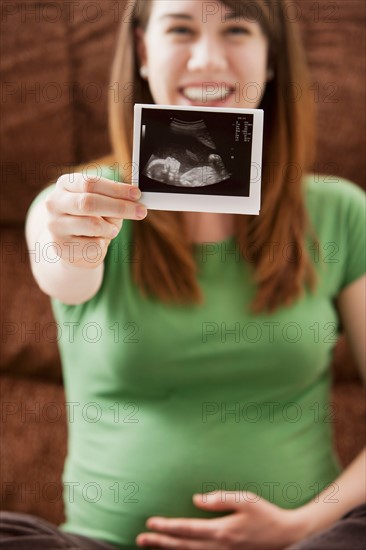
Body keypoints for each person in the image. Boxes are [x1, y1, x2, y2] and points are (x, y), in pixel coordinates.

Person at [1, 0, 365, 549]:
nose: (207, 60)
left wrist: (303, 525)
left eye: (237, 30)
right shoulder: (74, 203)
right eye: (181, 29)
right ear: (144, 51)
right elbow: (64, 270)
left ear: (271, 59)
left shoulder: (342, 212)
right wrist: (71, 245)